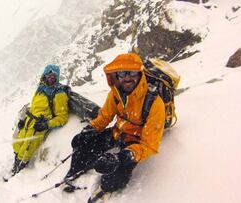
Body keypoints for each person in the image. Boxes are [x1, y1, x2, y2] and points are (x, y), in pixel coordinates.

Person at [63, 53, 166, 195]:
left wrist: (122, 157)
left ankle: (106, 185)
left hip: (134, 141)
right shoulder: (115, 94)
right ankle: (75, 171)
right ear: (116, 76)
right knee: (84, 145)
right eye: (122, 73)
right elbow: (105, 117)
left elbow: (149, 145)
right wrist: (90, 130)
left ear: (139, 74)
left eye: (131, 72)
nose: (127, 77)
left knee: (112, 181)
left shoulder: (154, 102)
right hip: (117, 132)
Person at [12, 64, 69, 175]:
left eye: (54, 77)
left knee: (26, 150)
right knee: (18, 145)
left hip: (39, 126)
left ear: (57, 78)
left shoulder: (59, 93)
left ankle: (18, 171)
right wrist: (23, 120)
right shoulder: (41, 89)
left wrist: (46, 125)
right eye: (49, 75)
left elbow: (62, 118)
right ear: (44, 76)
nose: (51, 79)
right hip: (28, 122)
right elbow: (34, 107)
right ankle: (15, 165)